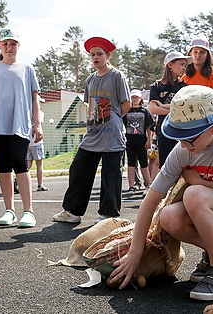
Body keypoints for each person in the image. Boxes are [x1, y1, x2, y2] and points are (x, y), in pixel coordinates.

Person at [109, 85, 213, 301]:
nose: (183, 145)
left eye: (189, 138)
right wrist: (135, 253)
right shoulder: (183, 150)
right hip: (210, 208)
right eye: (179, 137)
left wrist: (200, 182)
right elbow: (150, 200)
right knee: (168, 216)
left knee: (194, 193)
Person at [52, 37, 131, 224]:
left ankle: (108, 215)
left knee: (111, 174)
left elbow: (126, 104)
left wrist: (113, 118)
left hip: (112, 134)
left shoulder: (117, 76)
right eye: (92, 54)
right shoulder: (90, 79)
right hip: (93, 133)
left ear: (108, 55)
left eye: (99, 54)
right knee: (79, 168)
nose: (95, 57)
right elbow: (89, 104)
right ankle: (72, 211)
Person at [0, 28, 42, 228]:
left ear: (18, 46)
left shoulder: (27, 68)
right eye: (5, 44)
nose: (9, 47)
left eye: (13, 44)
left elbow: (34, 97)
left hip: (19, 123)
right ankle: (9, 210)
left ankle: (28, 211)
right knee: (3, 164)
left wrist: (37, 123)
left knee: (19, 161)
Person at [148, 51, 192, 169]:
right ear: (170, 65)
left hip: (182, 130)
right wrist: (173, 109)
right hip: (164, 130)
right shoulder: (156, 86)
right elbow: (152, 108)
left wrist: (162, 106)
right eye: (181, 64)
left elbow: (185, 109)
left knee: (183, 165)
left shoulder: (184, 88)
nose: (184, 68)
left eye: (185, 65)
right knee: (165, 166)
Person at [123, 89, 153, 195]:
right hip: (129, 141)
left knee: (143, 163)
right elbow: (123, 126)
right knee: (131, 163)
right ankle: (131, 186)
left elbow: (149, 127)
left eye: (137, 97)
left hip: (141, 141)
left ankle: (148, 184)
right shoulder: (126, 111)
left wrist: (149, 140)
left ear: (140, 99)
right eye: (133, 97)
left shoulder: (145, 111)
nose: (135, 99)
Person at [182, 37, 213, 101]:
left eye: (202, 52)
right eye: (195, 52)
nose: (198, 55)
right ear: (190, 54)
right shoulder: (184, 76)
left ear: (207, 55)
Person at [28, 110, 48, 191]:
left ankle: (18, 181)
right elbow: (40, 122)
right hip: (37, 142)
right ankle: (40, 185)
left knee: (27, 164)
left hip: (27, 141)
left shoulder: (26, 112)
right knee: (39, 164)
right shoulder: (40, 113)